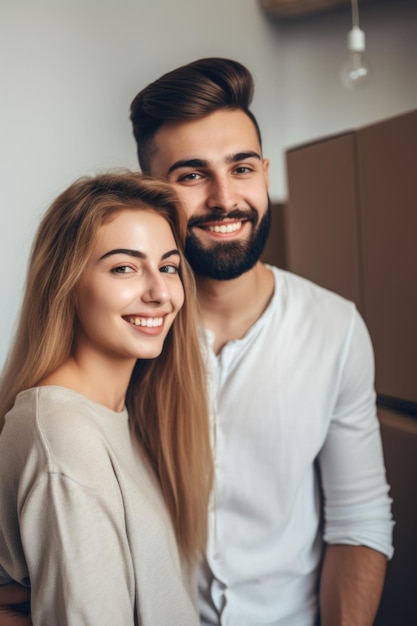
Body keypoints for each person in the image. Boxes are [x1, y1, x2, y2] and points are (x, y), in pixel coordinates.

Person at [0, 58, 394, 625]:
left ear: (262, 170)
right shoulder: (119, 347)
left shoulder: (334, 328)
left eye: (241, 168)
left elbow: (359, 519)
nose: (224, 198)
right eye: (191, 175)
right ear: (151, 193)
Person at [0, 171, 213, 625]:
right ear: (66, 282)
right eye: (125, 267)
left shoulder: (118, 413)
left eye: (169, 266)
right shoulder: (64, 437)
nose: (160, 293)